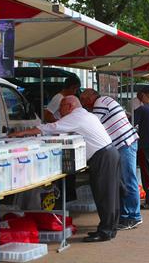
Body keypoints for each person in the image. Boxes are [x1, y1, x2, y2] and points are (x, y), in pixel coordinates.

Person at [9, 96, 120, 242]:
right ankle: (109, 228)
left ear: (70, 106)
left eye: (61, 107)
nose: (59, 111)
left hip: (103, 156)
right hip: (108, 154)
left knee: (104, 195)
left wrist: (21, 133)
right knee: (109, 194)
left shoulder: (76, 116)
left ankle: (106, 231)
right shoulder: (85, 114)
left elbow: (50, 127)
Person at [80, 89, 141, 230]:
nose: (83, 104)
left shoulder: (100, 103)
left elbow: (92, 124)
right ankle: (126, 215)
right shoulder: (105, 101)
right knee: (124, 180)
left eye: (83, 100)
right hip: (124, 143)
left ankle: (133, 216)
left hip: (125, 144)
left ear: (91, 97)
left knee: (127, 180)